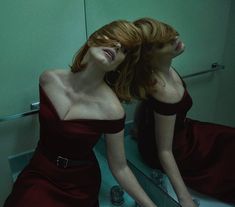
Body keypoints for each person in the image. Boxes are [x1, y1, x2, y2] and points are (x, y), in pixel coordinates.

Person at [4, 20, 157, 207]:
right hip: (40, 170)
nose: (117, 46)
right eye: (113, 38)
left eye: (124, 50)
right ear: (93, 39)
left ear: (120, 65)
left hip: (78, 183)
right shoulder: (49, 79)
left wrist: (151, 205)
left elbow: (120, 167)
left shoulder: (112, 110)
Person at [131, 17, 235, 207]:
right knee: (226, 173)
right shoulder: (164, 90)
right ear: (149, 57)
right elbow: (165, 151)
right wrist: (184, 198)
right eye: (164, 43)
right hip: (175, 149)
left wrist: (138, 127)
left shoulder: (163, 68)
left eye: (170, 33)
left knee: (229, 138)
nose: (176, 39)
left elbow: (145, 105)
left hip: (180, 132)